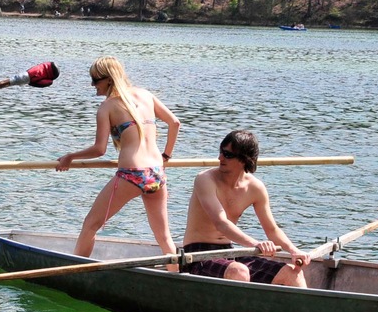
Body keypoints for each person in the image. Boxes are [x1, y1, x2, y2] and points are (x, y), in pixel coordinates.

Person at [56, 56, 181, 259]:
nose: (92, 85)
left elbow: (99, 149)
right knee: (164, 237)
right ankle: (178, 278)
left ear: (109, 79)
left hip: (131, 174)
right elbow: (174, 123)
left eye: (95, 80)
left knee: (90, 225)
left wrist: (70, 156)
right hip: (157, 173)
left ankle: (75, 273)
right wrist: (166, 154)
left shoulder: (107, 107)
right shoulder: (146, 95)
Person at [179, 130, 309, 286]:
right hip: (197, 254)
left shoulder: (255, 188)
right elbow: (220, 222)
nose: (220, 158)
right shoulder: (205, 179)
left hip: (230, 252)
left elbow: (272, 230)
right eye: (221, 152)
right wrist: (255, 244)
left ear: (244, 159)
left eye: (227, 155)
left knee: (292, 273)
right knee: (239, 272)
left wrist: (294, 250)